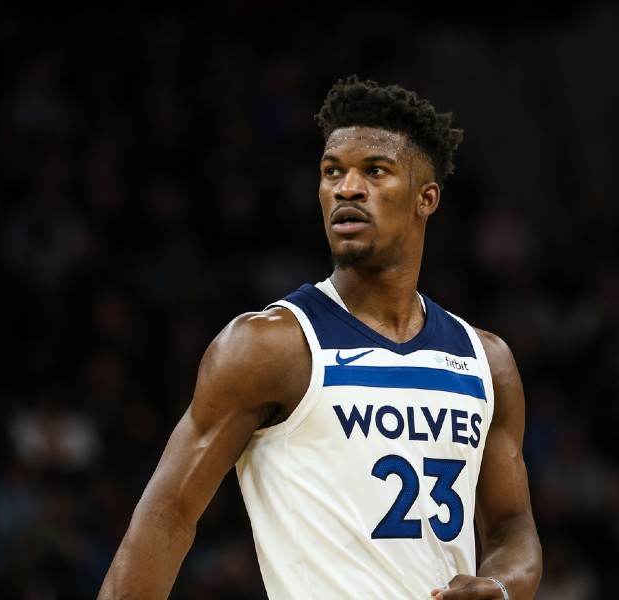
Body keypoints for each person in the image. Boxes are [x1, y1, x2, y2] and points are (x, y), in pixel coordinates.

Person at [97, 75, 543, 599]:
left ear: (426, 199)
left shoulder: (486, 361)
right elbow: (167, 517)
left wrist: (501, 586)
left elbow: (513, 529)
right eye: (332, 171)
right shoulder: (269, 347)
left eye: (375, 171)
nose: (346, 188)